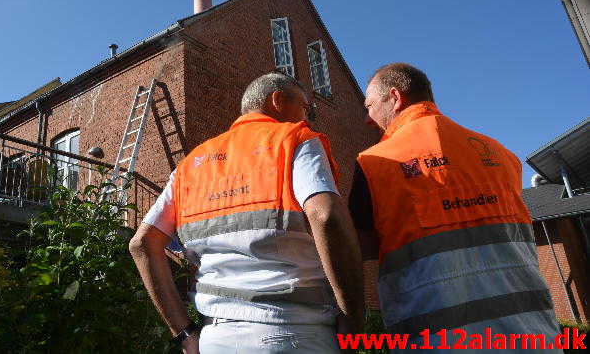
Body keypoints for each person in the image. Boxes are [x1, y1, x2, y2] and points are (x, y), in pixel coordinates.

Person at [130, 72, 364, 354]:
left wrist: (184, 334)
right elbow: (327, 215)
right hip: (296, 332)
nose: (309, 118)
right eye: (306, 108)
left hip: (215, 339)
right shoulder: (294, 139)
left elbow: (142, 244)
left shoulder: (189, 166)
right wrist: (353, 322)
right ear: (277, 100)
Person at [349, 63, 559, 351]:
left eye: (369, 106)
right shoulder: (500, 154)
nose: (367, 120)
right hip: (534, 337)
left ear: (395, 98)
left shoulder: (374, 164)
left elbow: (358, 248)